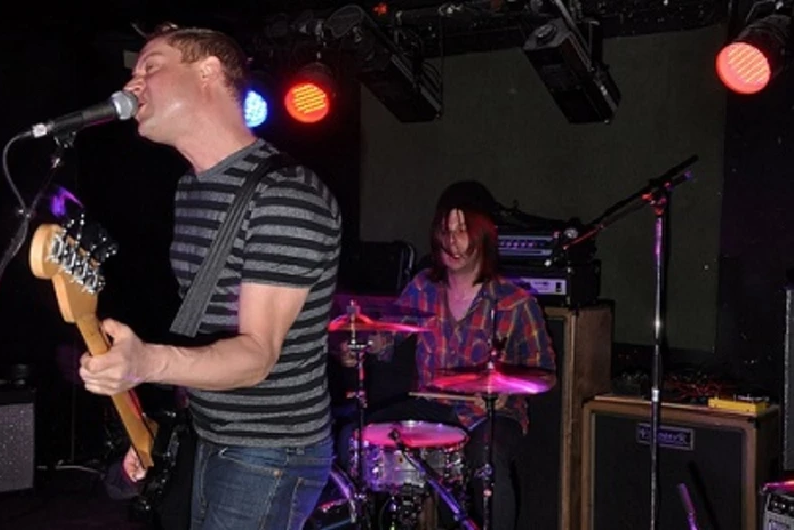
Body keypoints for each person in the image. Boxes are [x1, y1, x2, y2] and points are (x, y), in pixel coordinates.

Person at [78, 23, 342, 530]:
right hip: (212, 431)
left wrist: (146, 363)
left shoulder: (286, 196)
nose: (131, 85)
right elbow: (205, 333)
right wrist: (161, 428)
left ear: (208, 72)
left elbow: (255, 355)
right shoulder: (191, 189)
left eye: (150, 67)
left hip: (269, 451)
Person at [336, 180, 555, 530]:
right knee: (354, 437)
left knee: (488, 456)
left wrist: (501, 395)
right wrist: (362, 346)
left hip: (490, 415)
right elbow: (388, 335)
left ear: (483, 235)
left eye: (462, 230)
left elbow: (543, 370)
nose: (450, 241)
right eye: (444, 230)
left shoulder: (515, 302)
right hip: (430, 407)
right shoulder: (423, 287)